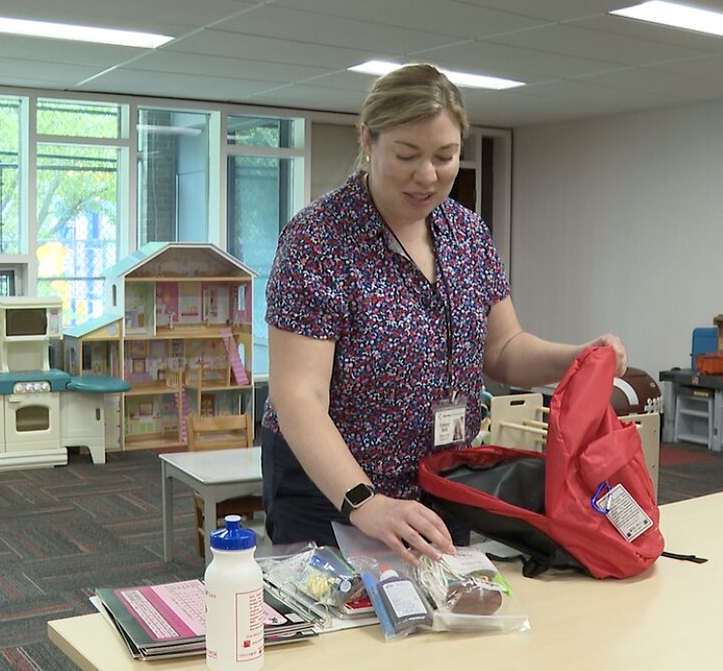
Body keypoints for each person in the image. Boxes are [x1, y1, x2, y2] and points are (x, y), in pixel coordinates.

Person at [262, 63, 626, 565]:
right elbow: (298, 396)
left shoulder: (467, 234)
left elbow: (502, 349)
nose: (427, 176)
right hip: (333, 491)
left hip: (442, 479)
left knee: (445, 628)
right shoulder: (317, 240)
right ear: (368, 140)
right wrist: (364, 502)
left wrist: (578, 357)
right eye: (407, 155)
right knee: (344, 631)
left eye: (445, 156)